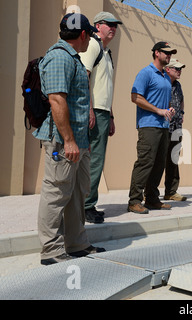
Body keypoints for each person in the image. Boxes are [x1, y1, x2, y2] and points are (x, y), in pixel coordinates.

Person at [33, 13, 105, 265]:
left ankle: (76, 243)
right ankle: (51, 250)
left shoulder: (73, 58)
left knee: (77, 192)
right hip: (63, 142)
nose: (90, 41)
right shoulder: (59, 57)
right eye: (90, 36)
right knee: (56, 192)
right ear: (83, 34)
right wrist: (70, 141)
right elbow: (56, 100)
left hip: (78, 140)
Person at [79, 12, 123, 224]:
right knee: (93, 160)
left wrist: (111, 115)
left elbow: (106, 87)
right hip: (93, 110)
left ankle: (89, 203)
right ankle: (86, 206)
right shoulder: (93, 46)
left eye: (116, 25)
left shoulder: (106, 52)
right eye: (110, 25)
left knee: (97, 159)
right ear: (97, 26)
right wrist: (88, 110)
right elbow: (84, 77)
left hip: (103, 112)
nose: (113, 28)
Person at [127, 41, 177, 214]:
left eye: (170, 53)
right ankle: (134, 201)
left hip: (163, 126)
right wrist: (157, 110)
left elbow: (164, 99)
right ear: (156, 53)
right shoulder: (146, 73)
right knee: (145, 162)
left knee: (159, 164)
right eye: (166, 52)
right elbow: (135, 97)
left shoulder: (165, 76)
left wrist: (168, 108)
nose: (169, 55)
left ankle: (152, 199)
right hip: (149, 125)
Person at [163, 58, 187, 202]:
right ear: (168, 69)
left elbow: (182, 100)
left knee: (173, 159)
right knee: (157, 160)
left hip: (176, 127)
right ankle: (149, 192)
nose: (179, 71)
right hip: (163, 126)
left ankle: (171, 191)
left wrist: (182, 114)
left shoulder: (177, 85)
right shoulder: (161, 82)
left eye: (180, 69)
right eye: (176, 68)